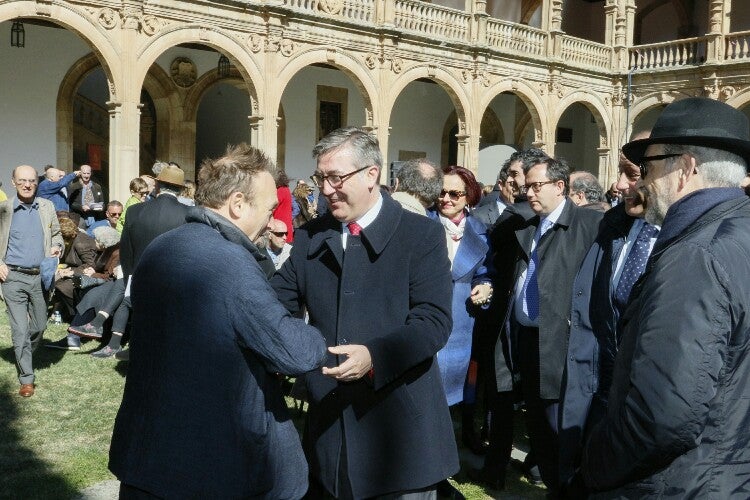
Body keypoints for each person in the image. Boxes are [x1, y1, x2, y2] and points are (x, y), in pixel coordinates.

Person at [109, 143, 327, 498]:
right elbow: (294, 352)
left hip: (149, 453)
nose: (274, 221)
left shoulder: (161, 248)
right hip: (211, 464)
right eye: (270, 209)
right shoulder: (230, 264)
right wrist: (320, 336)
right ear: (238, 204)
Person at [271, 127, 459, 499]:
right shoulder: (311, 236)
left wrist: (374, 356)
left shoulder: (420, 235)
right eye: (320, 177)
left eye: (336, 177)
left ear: (372, 174)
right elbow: (278, 302)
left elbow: (433, 322)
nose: (326, 189)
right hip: (329, 425)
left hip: (400, 432)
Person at [581, 97, 750, 497]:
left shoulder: (695, 255)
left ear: (686, 168)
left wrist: (593, 468)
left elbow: (662, 417)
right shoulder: (736, 233)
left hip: (682, 483)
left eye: (650, 167)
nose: (641, 181)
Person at [558, 131, 657, 492]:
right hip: (600, 393)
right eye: (620, 172)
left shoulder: (692, 242)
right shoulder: (612, 227)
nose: (617, 185)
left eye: (632, 174)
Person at [501, 157, 602, 495]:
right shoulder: (529, 225)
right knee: (538, 427)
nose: (527, 191)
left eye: (535, 185)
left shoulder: (587, 226)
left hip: (563, 344)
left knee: (559, 427)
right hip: (529, 340)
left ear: (560, 187)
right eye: (525, 185)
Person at [0, 165, 63, 397]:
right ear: (13, 182)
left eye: (32, 181)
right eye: (22, 180)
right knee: (20, 329)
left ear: (37, 182)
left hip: (40, 276)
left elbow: (56, 234)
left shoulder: (46, 207)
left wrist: (57, 246)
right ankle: (26, 378)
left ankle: (25, 349)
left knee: (39, 326)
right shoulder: (4, 210)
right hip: (13, 278)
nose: (27, 185)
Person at [273, 170, 294, 243]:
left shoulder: (281, 190)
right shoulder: (286, 189)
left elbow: (273, 206)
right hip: (285, 225)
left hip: (280, 226)